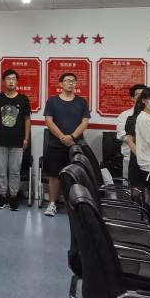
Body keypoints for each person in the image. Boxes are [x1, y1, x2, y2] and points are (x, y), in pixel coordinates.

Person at [43, 73, 90, 217]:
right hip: (55, 144)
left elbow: (85, 122)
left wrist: (72, 137)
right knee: (54, 175)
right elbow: (49, 121)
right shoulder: (52, 101)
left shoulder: (82, 102)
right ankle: (52, 204)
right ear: (60, 84)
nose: (70, 83)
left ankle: (75, 205)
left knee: (76, 175)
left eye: (73, 81)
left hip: (76, 145)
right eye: (67, 81)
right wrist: (62, 137)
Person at [0, 68, 31, 211]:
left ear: (17, 81)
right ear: (3, 81)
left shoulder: (23, 99)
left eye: (13, 79)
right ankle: (1, 196)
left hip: (18, 141)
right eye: (8, 79)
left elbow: (27, 120)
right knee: (0, 170)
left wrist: (26, 138)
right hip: (0, 140)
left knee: (14, 171)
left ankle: (13, 197)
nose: (11, 81)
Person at [116, 84, 146, 180]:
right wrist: (134, 140)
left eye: (144, 94)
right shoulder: (125, 115)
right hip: (129, 156)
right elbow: (121, 135)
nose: (142, 97)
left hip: (149, 159)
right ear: (132, 98)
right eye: (139, 95)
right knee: (130, 185)